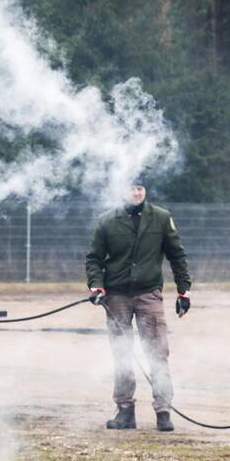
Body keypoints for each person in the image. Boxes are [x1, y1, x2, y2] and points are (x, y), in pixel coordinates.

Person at [85, 179, 190, 432]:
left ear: (146, 191)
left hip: (148, 294)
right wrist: (96, 286)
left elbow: (177, 255)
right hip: (116, 296)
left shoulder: (161, 218)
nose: (136, 192)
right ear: (123, 190)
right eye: (132, 188)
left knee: (157, 352)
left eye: (140, 188)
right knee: (121, 354)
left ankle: (163, 411)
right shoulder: (107, 220)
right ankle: (125, 411)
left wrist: (183, 291)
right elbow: (94, 259)